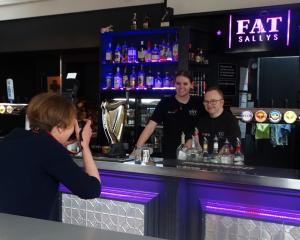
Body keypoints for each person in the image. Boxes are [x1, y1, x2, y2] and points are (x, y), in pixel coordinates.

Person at [0, 92, 101, 220]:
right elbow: (91, 189)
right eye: (71, 125)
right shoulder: (50, 149)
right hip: (28, 231)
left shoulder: (14, 136)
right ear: (60, 126)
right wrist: (85, 145)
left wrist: (60, 144)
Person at [134, 70, 205, 159]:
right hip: (170, 154)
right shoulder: (165, 102)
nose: (181, 87)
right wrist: (136, 149)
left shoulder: (198, 103)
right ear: (174, 84)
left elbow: (205, 125)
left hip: (192, 154)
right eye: (178, 83)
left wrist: (191, 139)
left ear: (191, 85)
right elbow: (150, 127)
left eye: (185, 84)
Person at [186, 86, 241, 153]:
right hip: (203, 160)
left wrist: (221, 155)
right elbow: (192, 136)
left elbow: (232, 144)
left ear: (221, 103)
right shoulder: (201, 119)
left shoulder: (231, 120)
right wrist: (189, 142)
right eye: (206, 101)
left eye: (213, 101)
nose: (209, 105)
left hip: (222, 161)